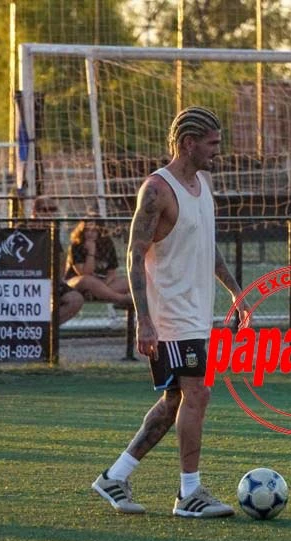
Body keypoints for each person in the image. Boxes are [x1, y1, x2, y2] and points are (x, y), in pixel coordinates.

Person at [91, 106, 249, 518]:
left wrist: (235, 291)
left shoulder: (203, 184)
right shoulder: (157, 190)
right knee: (198, 393)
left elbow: (207, 247)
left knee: (174, 400)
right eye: (212, 143)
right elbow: (134, 255)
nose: (218, 150)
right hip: (171, 317)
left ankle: (115, 476)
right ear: (188, 143)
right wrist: (144, 320)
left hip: (195, 314)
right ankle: (189, 494)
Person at [65, 217, 132, 307]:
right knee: (87, 280)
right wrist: (91, 251)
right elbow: (85, 273)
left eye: (94, 231)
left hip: (102, 283)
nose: (90, 233)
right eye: (87, 230)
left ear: (100, 231)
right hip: (77, 283)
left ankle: (96, 294)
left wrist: (101, 286)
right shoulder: (76, 245)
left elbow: (112, 272)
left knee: (128, 282)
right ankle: (121, 299)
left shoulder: (107, 244)